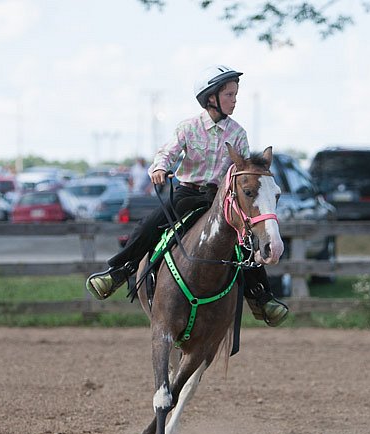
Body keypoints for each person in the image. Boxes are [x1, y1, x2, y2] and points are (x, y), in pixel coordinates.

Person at [86, 64, 289, 326]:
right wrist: (160, 167)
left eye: (235, 95)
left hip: (221, 198)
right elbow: (167, 152)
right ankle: (118, 271)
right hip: (187, 194)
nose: (234, 100)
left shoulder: (238, 133)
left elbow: (243, 169)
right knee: (149, 225)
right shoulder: (189, 128)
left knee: (242, 242)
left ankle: (261, 298)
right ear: (211, 98)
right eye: (229, 95)